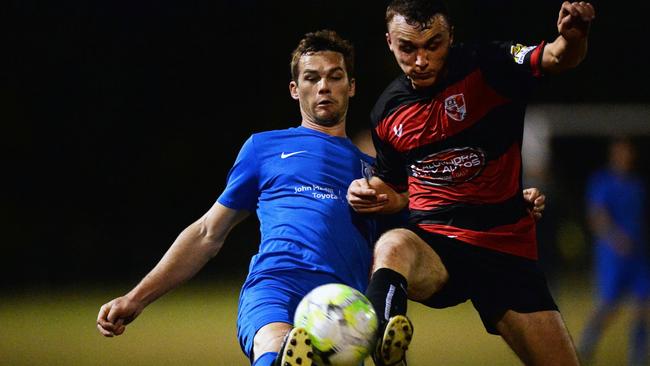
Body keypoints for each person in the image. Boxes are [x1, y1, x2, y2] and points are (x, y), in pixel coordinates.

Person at [96, 29, 377, 366]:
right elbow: (207, 233)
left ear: (352, 86)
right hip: (276, 285)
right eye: (311, 78)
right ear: (294, 89)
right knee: (277, 349)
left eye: (335, 76)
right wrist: (136, 298)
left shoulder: (375, 171)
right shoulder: (264, 148)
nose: (323, 87)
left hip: (342, 306)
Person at [346, 1, 595, 365]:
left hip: (504, 249)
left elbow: (557, 57)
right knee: (394, 243)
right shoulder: (387, 113)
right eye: (408, 48)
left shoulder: (489, 66)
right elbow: (398, 191)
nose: (421, 60)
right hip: (438, 244)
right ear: (389, 42)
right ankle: (382, 342)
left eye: (433, 44)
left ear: (451, 36)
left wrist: (573, 39)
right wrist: (369, 192)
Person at [578, 139, 649, 366]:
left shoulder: (637, 185)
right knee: (609, 305)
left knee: (644, 305)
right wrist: (615, 238)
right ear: (613, 155)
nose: (625, 157)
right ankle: (587, 341)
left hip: (637, 255)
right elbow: (596, 215)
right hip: (612, 254)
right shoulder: (602, 182)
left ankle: (637, 358)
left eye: (628, 153)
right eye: (621, 152)